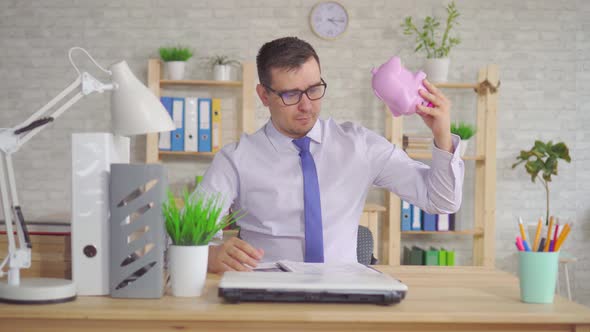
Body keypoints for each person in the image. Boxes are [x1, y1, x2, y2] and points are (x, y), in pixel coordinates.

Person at [198, 37, 464, 273]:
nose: (306, 105)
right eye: (291, 94)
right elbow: (184, 237)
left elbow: (441, 202)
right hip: (266, 293)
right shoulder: (235, 160)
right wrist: (210, 256)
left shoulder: (360, 145)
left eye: (314, 90)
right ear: (264, 95)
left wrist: (441, 134)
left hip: (345, 294)